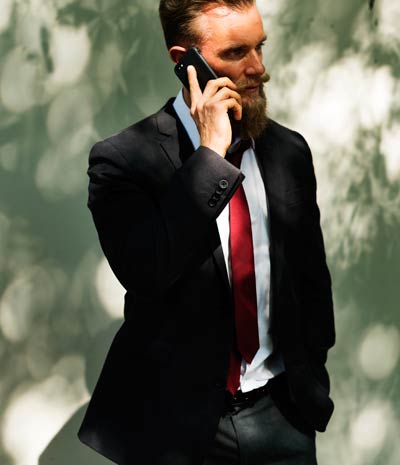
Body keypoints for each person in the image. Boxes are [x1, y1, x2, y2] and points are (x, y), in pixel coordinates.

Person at [78, 1, 335, 464]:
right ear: (185, 61)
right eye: (236, 52)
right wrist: (211, 156)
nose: (258, 68)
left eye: (259, 47)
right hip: (177, 429)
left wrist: (311, 377)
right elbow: (147, 272)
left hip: (281, 415)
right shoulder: (121, 161)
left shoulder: (289, 151)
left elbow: (310, 278)